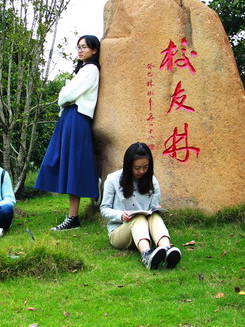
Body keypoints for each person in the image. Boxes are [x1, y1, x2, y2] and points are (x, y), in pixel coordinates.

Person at [35, 35, 101, 231]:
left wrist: (65, 94)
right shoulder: (83, 69)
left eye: (84, 47)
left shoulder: (90, 69)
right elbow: (64, 97)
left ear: (94, 50)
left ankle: (74, 216)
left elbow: (66, 95)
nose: (80, 50)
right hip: (70, 117)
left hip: (76, 117)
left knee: (74, 164)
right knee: (68, 162)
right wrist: (65, 96)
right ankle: (77, 212)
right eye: (78, 47)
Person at [100, 142, 182, 270]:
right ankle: (146, 255)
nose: (141, 171)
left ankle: (166, 249)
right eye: (137, 168)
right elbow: (104, 209)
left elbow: (154, 206)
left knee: (154, 217)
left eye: (145, 167)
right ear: (128, 165)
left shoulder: (152, 180)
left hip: (146, 232)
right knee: (138, 218)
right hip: (120, 232)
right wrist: (120, 215)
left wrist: (156, 209)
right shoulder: (113, 179)